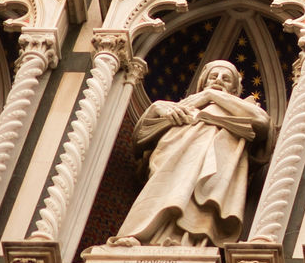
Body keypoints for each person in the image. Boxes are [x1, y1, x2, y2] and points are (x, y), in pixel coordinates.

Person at [112, 60, 268, 247]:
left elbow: (262, 122)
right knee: (162, 190)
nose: (218, 80)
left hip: (212, 169)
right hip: (171, 162)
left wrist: (211, 95)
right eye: (213, 76)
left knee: (197, 201)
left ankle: (186, 244)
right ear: (203, 81)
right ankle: (139, 235)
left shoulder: (241, 110)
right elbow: (139, 140)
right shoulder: (180, 107)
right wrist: (155, 108)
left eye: (226, 79)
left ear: (234, 90)